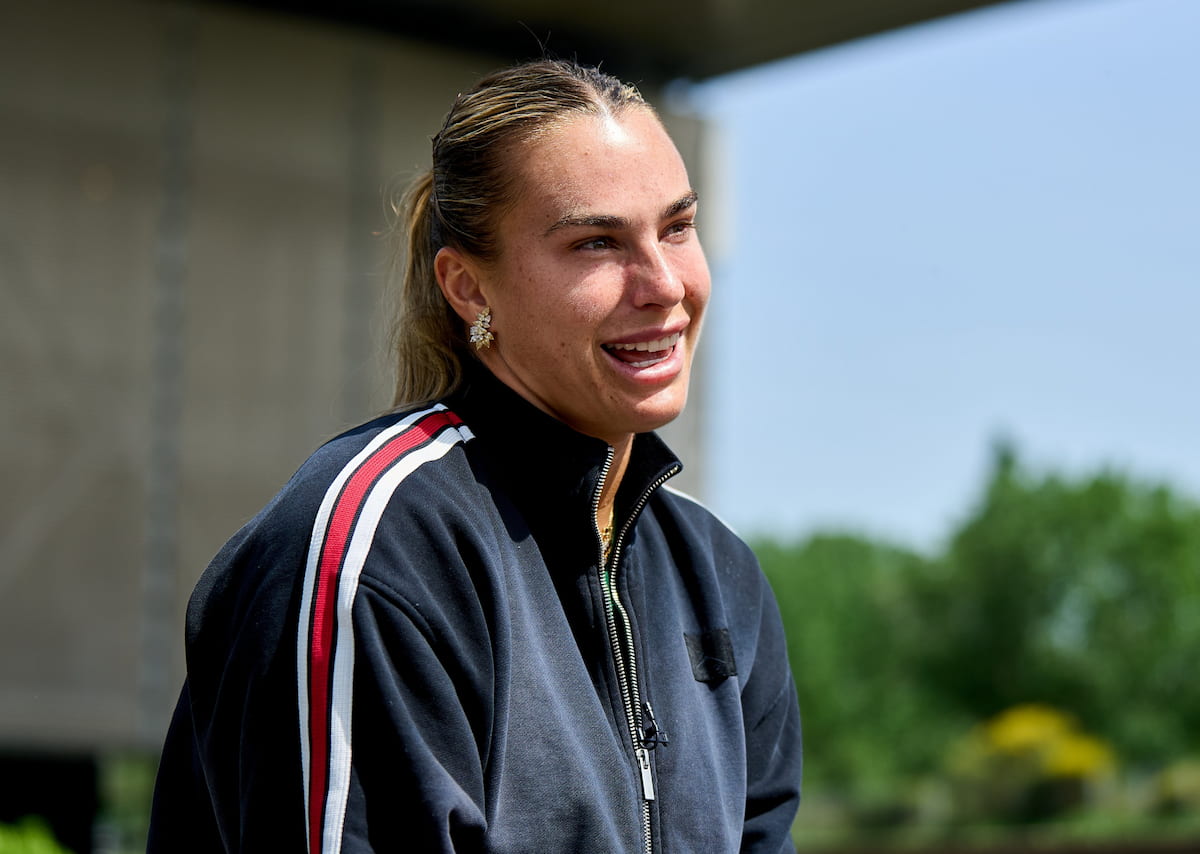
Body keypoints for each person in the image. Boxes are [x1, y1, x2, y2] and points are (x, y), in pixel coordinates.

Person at [148, 59, 802, 853]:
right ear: (468, 288)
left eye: (676, 227)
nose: (663, 285)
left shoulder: (718, 574)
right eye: (597, 242)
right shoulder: (379, 551)